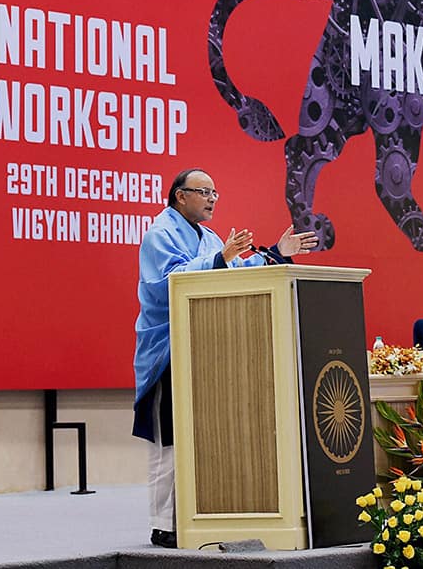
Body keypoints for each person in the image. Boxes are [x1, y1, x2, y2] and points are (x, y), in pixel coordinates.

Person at [132, 168, 318, 548]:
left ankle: (200, 516)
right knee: (169, 441)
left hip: (208, 349)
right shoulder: (159, 236)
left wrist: (274, 254)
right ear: (180, 196)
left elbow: (232, 274)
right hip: (168, 350)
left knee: (203, 438)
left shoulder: (211, 239)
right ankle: (163, 523)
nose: (213, 198)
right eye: (204, 192)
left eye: (215, 192)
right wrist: (219, 257)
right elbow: (168, 284)